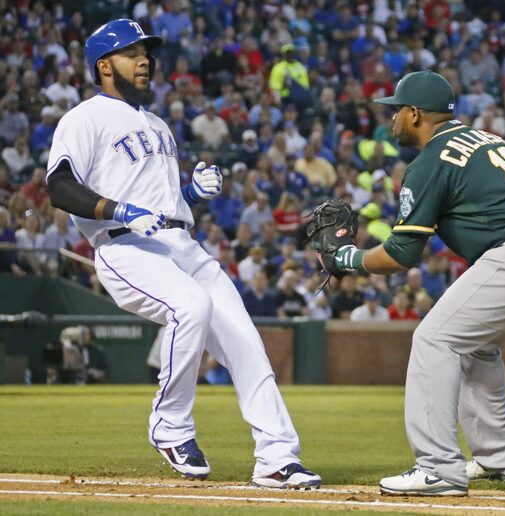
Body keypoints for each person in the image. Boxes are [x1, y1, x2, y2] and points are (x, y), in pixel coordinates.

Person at [44, 19, 320, 489]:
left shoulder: (157, 124)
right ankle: (169, 425)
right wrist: (120, 210)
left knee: (246, 344)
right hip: (125, 247)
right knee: (190, 307)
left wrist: (190, 193)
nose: (146, 60)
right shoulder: (84, 118)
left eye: (146, 52)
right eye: (133, 53)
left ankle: (277, 458)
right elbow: (60, 187)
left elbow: (163, 206)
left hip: (181, 244)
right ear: (104, 65)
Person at [325, 71, 505, 495]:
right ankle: (500, 460)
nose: (391, 121)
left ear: (414, 114)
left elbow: (400, 255)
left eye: (396, 112)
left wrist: (346, 257)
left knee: (434, 339)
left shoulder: (429, 161)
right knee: (476, 345)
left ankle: (437, 468)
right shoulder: (482, 138)